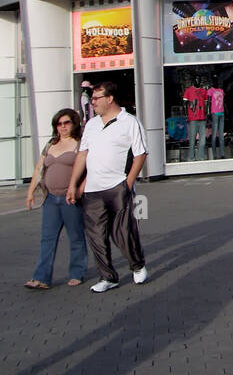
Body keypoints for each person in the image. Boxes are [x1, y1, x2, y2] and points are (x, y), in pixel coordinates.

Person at [67, 82, 149, 293]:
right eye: (92, 99)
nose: (92, 103)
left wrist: (128, 183)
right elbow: (82, 155)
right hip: (93, 190)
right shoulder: (92, 125)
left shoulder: (129, 122)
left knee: (122, 231)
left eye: (96, 98)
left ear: (109, 98)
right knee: (96, 235)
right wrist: (74, 184)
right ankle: (108, 277)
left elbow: (140, 154)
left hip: (117, 186)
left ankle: (137, 265)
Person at [24, 109, 88, 288]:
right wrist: (30, 192)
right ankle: (42, 278)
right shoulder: (51, 144)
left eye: (66, 123)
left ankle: (77, 273)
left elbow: (89, 170)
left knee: (75, 237)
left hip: (70, 199)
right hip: (51, 199)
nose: (63, 127)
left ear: (74, 123)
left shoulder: (79, 144)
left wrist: (79, 190)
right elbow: (38, 169)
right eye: (59, 124)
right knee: (47, 239)